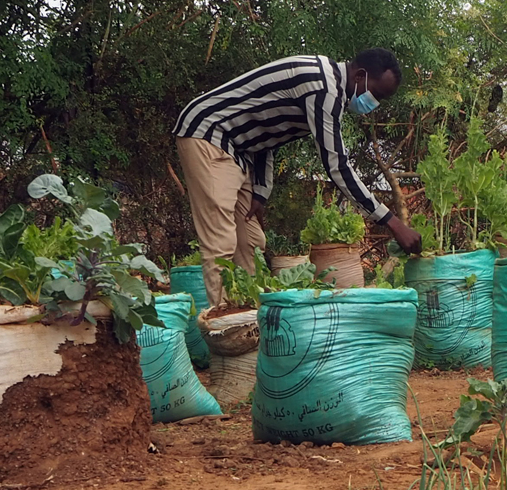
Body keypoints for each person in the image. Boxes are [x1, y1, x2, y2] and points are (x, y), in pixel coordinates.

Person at [173, 49, 422, 307]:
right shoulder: (324, 88)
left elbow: (268, 132)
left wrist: (260, 191)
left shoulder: (328, 83)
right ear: (360, 76)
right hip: (209, 134)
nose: (373, 104)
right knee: (221, 242)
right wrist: (392, 222)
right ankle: (226, 330)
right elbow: (336, 165)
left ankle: (249, 319)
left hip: (239, 150)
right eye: (376, 94)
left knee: (250, 242)